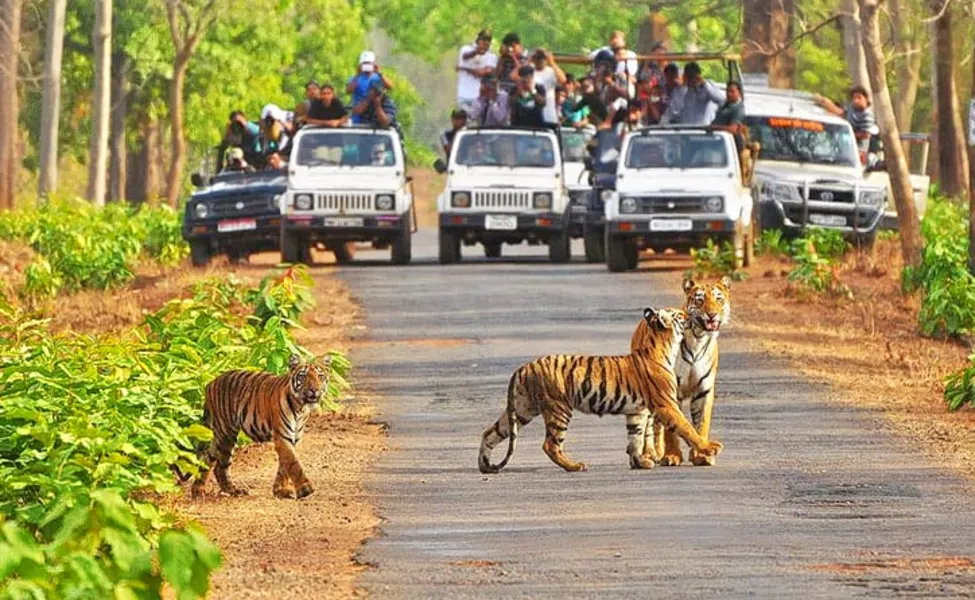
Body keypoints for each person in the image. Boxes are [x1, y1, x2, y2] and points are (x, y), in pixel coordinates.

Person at [814, 86, 878, 154]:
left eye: (859, 97)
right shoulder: (852, 109)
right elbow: (841, 113)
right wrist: (825, 102)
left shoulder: (867, 114)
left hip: (858, 149)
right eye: (854, 98)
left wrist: (848, 134)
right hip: (844, 145)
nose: (856, 100)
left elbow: (866, 134)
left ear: (866, 99)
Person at [347, 51, 394, 124]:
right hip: (358, 114)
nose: (367, 66)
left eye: (369, 63)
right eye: (364, 64)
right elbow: (348, 91)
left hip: (376, 111)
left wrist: (379, 73)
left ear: (373, 64)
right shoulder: (355, 78)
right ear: (360, 65)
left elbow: (391, 86)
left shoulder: (378, 77)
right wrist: (358, 74)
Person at [456, 30, 498, 115]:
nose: (485, 44)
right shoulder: (466, 49)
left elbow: (482, 73)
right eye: (483, 40)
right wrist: (476, 52)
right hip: (464, 96)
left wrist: (464, 68)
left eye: (487, 41)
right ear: (478, 40)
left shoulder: (492, 56)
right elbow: (465, 56)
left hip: (480, 97)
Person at [529, 48, 567, 125]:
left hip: (548, 113)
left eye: (542, 58)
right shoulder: (529, 69)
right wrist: (528, 60)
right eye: (537, 58)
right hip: (530, 111)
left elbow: (563, 80)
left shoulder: (551, 71)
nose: (540, 60)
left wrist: (552, 61)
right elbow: (514, 76)